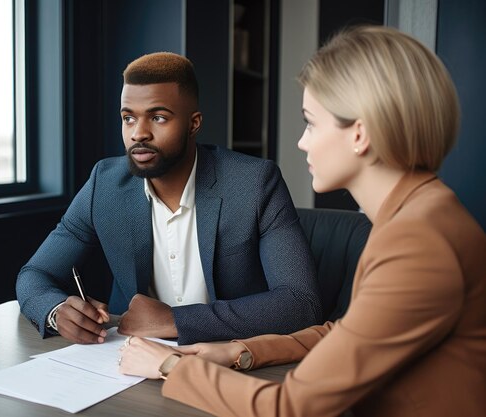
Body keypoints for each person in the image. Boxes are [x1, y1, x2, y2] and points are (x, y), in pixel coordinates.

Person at [118, 26, 486, 417]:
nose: (301, 142)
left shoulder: (418, 243)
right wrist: (241, 350)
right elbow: (349, 333)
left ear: (360, 134)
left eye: (311, 123)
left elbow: (294, 408)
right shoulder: (417, 217)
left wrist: (171, 365)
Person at [16, 52, 321, 346]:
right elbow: (35, 274)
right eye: (128, 118)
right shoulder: (105, 185)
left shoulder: (254, 183)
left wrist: (177, 320)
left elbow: (300, 302)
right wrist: (56, 312)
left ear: (194, 123)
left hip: (225, 361)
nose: (138, 133)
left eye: (158, 117)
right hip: (128, 362)